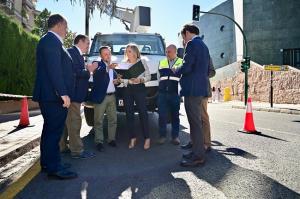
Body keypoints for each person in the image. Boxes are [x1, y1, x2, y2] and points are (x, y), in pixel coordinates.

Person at [32, 14, 77, 179]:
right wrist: (63, 92)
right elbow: (54, 69)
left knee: (49, 131)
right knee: (54, 132)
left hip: (51, 95)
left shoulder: (50, 40)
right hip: (53, 97)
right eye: (65, 27)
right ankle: (54, 168)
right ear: (58, 25)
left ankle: (48, 163)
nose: (66, 31)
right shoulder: (51, 40)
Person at [174, 24, 210, 167]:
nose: (184, 39)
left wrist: (177, 69)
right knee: (196, 123)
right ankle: (196, 150)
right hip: (200, 88)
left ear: (187, 33)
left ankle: (198, 156)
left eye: (183, 36)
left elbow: (187, 66)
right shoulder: (203, 45)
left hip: (192, 90)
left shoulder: (191, 44)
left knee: (195, 124)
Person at [59, 34, 97, 159]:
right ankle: (77, 151)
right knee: (74, 123)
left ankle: (62, 147)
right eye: (87, 43)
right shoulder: (71, 52)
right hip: (73, 96)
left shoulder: (75, 54)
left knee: (66, 123)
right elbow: (74, 73)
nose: (88, 46)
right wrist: (89, 70)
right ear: (80, 41)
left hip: (73, 95)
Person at [119, 44, 151, 150]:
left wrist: (140, 80)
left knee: (143, 113)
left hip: (140, 89)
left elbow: (148, 76)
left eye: (129, 51)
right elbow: (122, 80)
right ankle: (132, 137)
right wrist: (124, 80)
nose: (127, 53)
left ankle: (147, 138)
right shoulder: (123, 64)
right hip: (127, 90)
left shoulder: (142, 62)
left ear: (135, 52)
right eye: (126, 51)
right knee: (129, 114)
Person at [181, 57, 216, 152]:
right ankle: (193, 141)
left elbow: (212, 72)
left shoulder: (205, 55)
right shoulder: (188, 56)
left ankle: (207, 143)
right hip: (191, 91)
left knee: (203, 117)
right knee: (193, 118)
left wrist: (199, 74)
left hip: (202, 90)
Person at [88, 46, 118, 152]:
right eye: (105, 54)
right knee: (98, 121)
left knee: (113, 120)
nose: (107, 55)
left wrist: (117, 80)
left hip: (112, 96)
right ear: (100, 55)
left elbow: (112, 79)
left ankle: (111, 139)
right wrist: (108, 68)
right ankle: (99, 142)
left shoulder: (112, 67)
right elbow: (99, 73)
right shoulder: (98, 64)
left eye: (109, 53)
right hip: (101, 97)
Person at [157, 44, 183, 145]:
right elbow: (160, 76)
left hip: (175, 94)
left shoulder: (181, 62)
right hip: (162, 93)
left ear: (175, 52)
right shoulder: (162, 62)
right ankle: (162, 136)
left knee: (175, 116)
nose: (167, 54)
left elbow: (183, 76)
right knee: (162, 116)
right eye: (166, 52)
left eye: (169, 52)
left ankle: (175, 137)